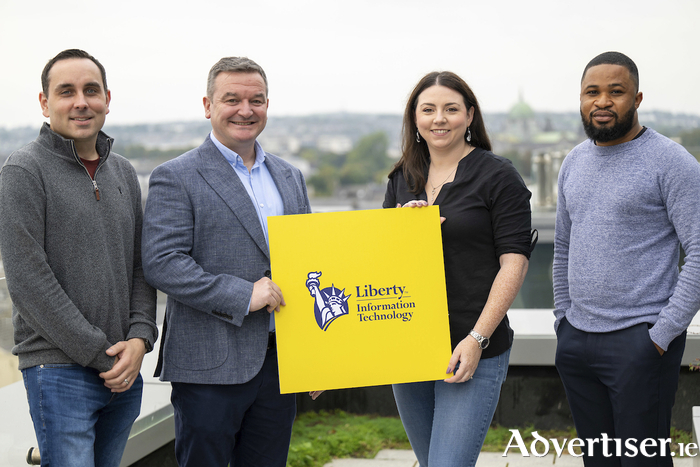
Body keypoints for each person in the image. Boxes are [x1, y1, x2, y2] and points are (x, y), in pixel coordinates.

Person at [141, 56, 311, 467]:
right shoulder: (176, 176)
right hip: (208, 367)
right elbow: (162, 262)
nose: (245, 110)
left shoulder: (290, 176)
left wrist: (313, 360)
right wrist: (242, 294)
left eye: (257, 100)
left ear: (268, 105)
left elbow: (313, 263)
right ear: (207, 105)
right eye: (231, 99)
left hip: (279, 364)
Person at [0, 49, 157, 467]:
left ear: (107, 97)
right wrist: (101, 353)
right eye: (66, 92)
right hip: (59, 371)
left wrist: (141, 339)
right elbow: (29, 282)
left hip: (123, 371)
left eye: (91, 90)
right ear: (44, 103)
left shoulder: (122, 171)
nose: (80, 102)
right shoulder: (23, 171)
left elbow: (140, 267)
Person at [553, 51, 700, 466]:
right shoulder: (574, 161)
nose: (602, 101)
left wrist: (660, 334)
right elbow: (563, 245)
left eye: (615, 92)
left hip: (640, 340)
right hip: (577, 339)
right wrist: (562, 319)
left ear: (636, 98)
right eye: (592, 92)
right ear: (580, 99)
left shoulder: (672, 163)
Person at [383, 71, 533, 467]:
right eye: (428, 109)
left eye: (451, 109)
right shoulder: (401, 178)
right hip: (410, 347)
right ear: (414, 119)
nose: (439, 118)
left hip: (470, 345)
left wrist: (477, 339)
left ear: (469, 115)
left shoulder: (499, 176)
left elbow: (514, 263)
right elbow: (384, 267)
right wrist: (403, 231)